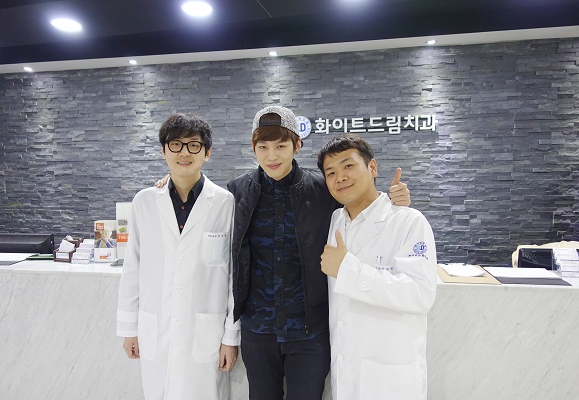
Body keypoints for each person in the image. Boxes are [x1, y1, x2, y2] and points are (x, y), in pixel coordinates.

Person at [227, 106, 412, 400]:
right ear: (253, 148)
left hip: (309, 332)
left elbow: (360, 208)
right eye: (263, 147)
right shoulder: (237, 191)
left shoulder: (323, 189)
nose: (272, 156)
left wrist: (394, 202)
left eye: (281, 146)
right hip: (257, 330)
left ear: (297, 145)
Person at [117, 113, 240, 400]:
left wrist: (230, 336)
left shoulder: (225, 203)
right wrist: (129, 328)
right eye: (175, 145)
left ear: (207, 153)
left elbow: (233, 275)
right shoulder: (145, 201)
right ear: (163, 151)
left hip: (205, 331)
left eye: (194, 145)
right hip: (156, 328)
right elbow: (133, 268)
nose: (184, 153)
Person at [317, 133, 437, 400]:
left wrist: (347, 270)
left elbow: (420, 294)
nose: (340, 177)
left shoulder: (408, 221)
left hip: (389, 378)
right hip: (345, 372)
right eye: (331, 172)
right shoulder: (336, 219)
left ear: (372, 168)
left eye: (348, 166)